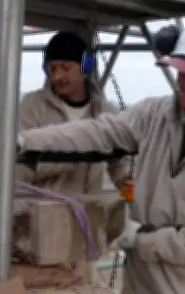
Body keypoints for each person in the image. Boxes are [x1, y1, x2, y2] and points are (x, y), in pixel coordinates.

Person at [15, 17, 185, 294]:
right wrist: (23, 141)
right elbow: (100, 132)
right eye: (182, 86)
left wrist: (141, 240)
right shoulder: (156, 115)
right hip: (139, 289)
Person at [16, 30, 129, 195]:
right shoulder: (33, 105)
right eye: (52, 69)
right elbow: (20, 167)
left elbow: (120, 164)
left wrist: (132, 191)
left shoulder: (105, 112)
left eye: (66, 68)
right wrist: (73, 152)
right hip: (42, 214)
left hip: (88, 215)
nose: (57, 76)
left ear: (86, 66)